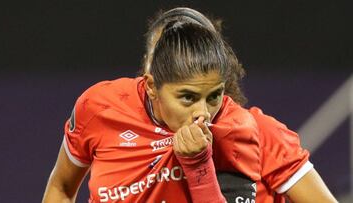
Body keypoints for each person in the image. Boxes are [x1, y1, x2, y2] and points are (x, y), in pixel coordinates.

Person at [42, 7, 337, 203]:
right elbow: (61, 187)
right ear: (151, 77)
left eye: (212, 97)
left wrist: (197, 165)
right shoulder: (99, 108)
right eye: (187, 97)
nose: (202, 113)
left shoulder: (247, 131)